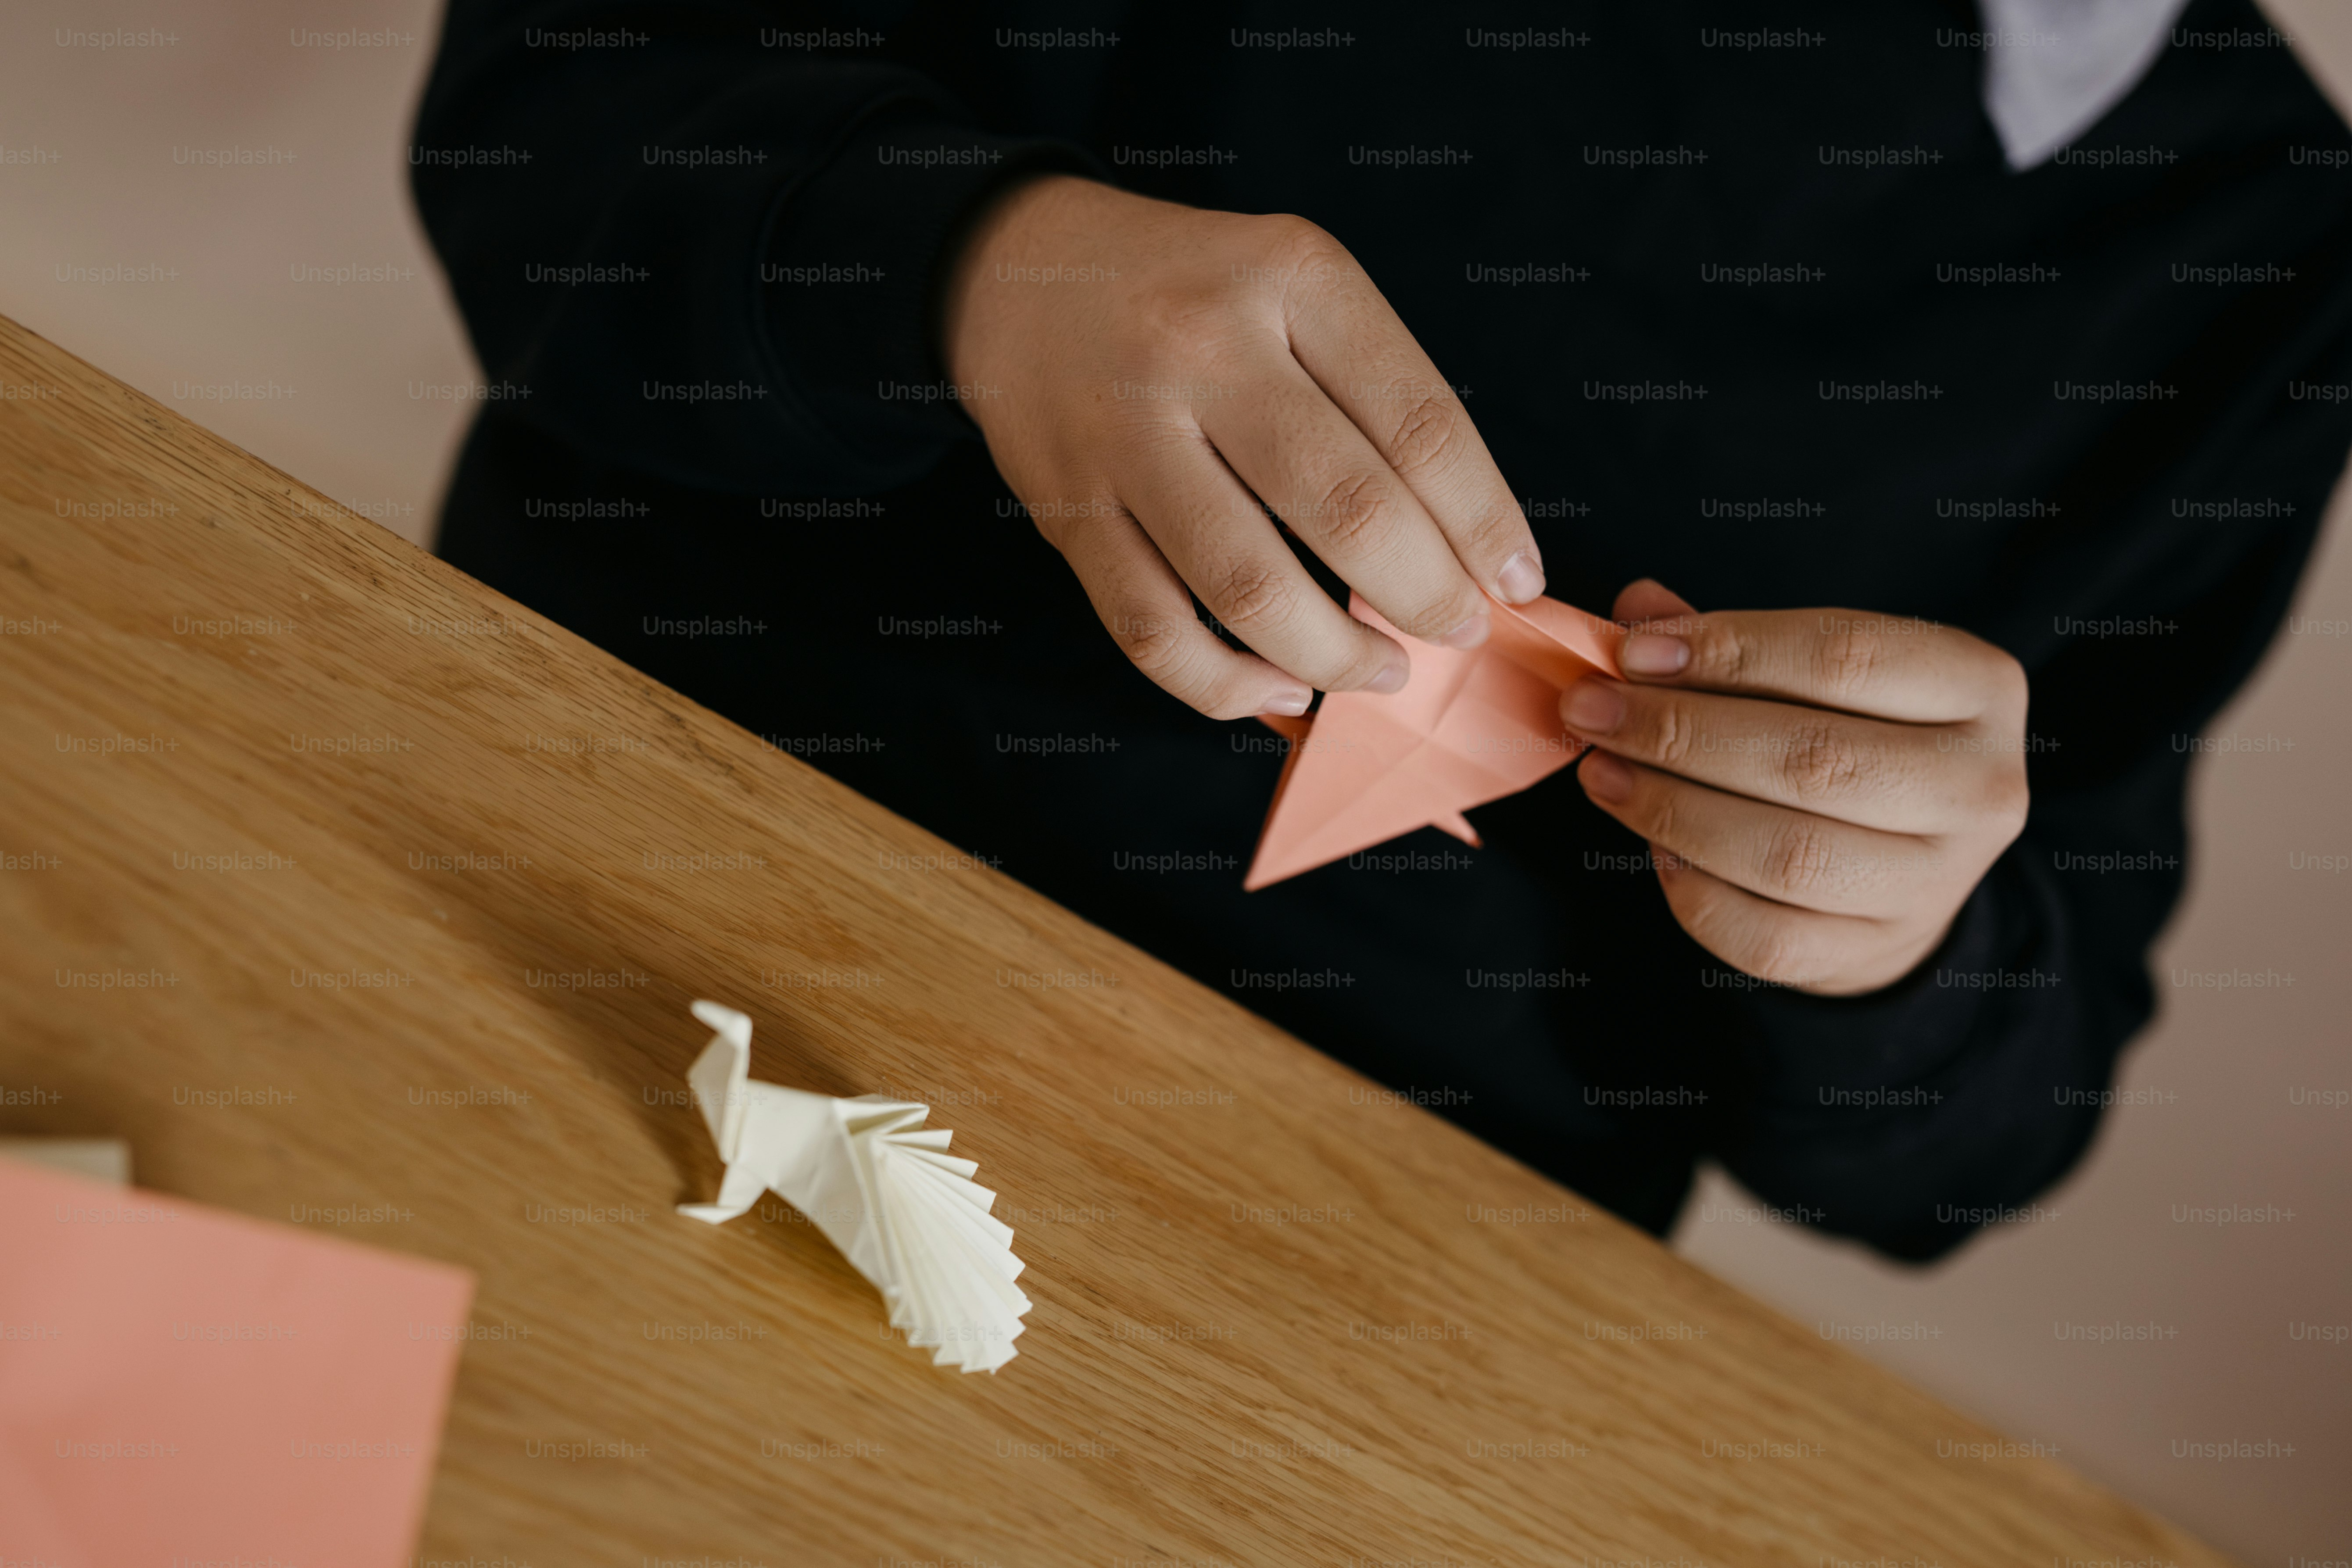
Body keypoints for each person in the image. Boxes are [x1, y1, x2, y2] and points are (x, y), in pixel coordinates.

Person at [411, 0, 2352, 1258]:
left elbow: (1976, 1143)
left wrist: (1899, 949)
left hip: (1364, 1270)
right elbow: (543, 128)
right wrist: (965, 261)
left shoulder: (2259, 243)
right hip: (602, 890)